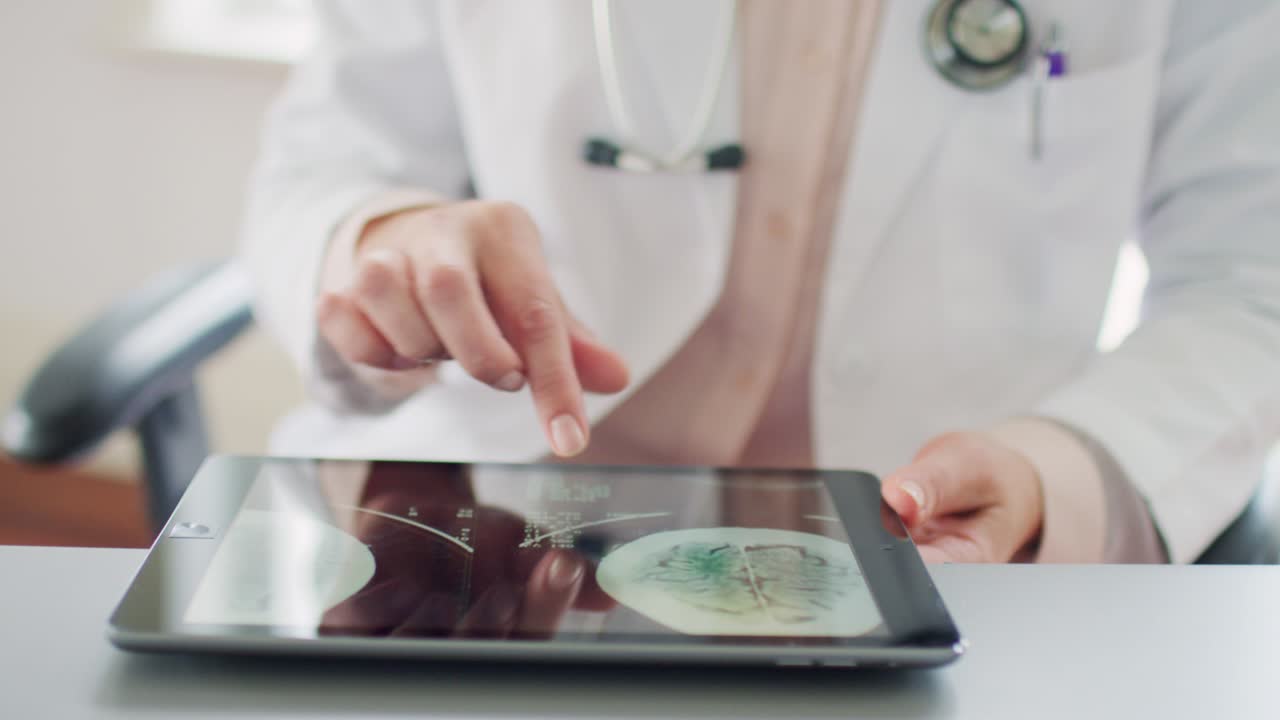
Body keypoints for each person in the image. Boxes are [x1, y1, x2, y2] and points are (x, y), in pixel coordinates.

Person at [241, 0, 1280, 566]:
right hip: (488, 525)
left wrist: (1052, 475)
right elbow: (322, 167)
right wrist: (379, 242)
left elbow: (1248, 279)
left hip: (930, 556)